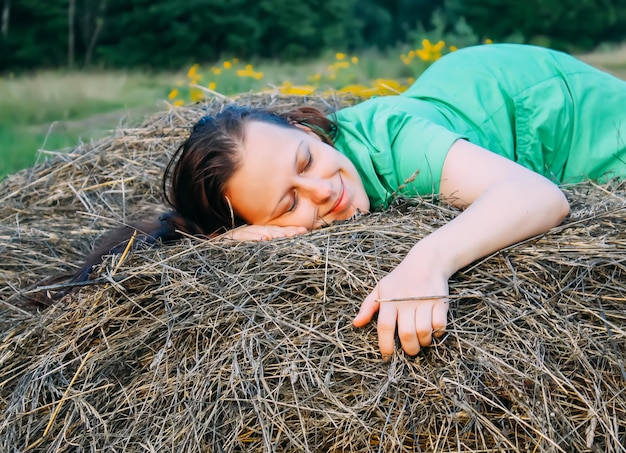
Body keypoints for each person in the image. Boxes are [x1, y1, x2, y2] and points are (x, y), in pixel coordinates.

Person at [42, 43, 626, 360]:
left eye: (305, 161)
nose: (322, 190)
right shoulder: (311, 183)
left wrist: (427, 262)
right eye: (287, 205)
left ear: (312, 132)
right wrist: (238, 239)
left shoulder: (399, 140)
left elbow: (537, 196)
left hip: (563, 110)